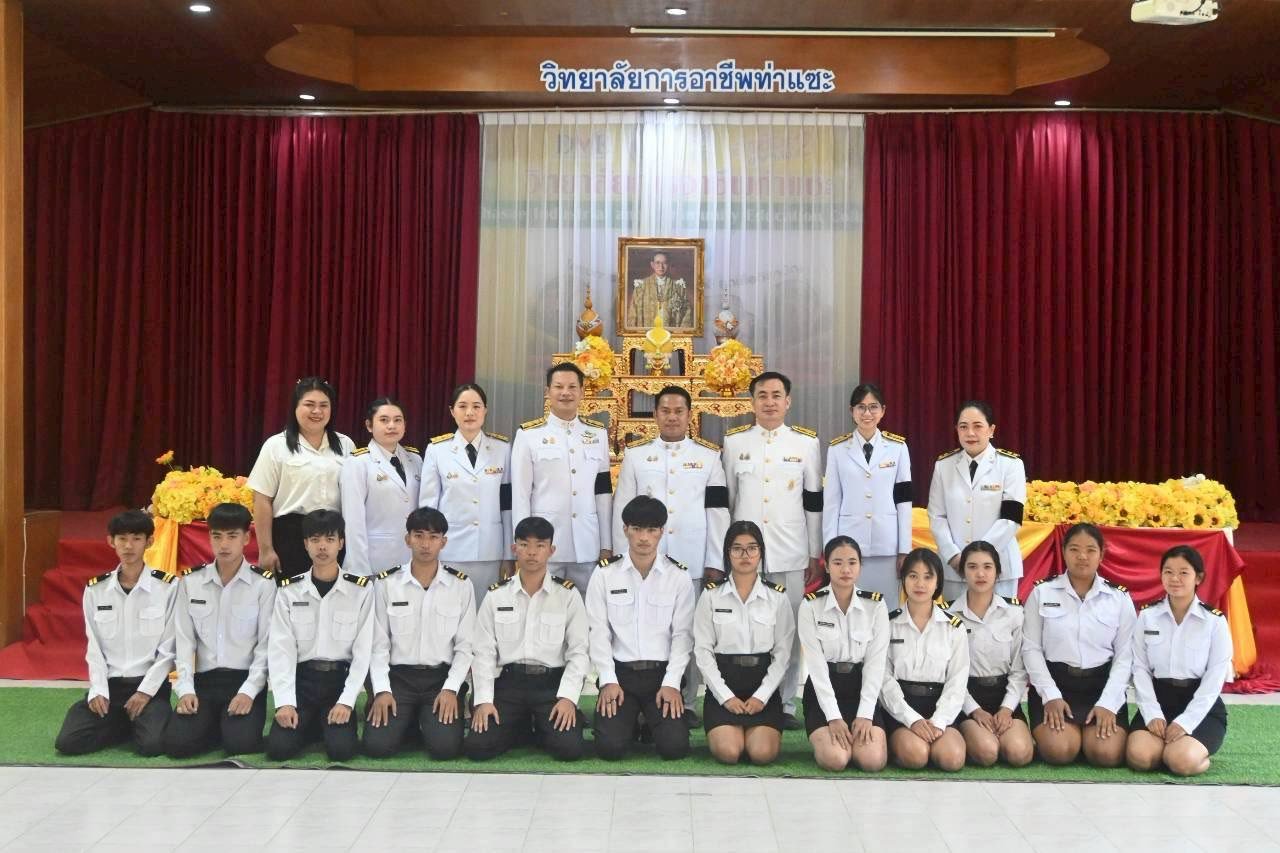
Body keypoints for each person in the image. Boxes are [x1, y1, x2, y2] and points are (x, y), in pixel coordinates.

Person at [612, 384, 729, 718]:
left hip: (691, 559)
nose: (672, 417)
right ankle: (642, 703)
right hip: (645, 559)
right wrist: (622, 559)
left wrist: (715, 560)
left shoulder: (709, 456)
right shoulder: (636, 455)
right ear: (655, 414)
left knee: (687, 632)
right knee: (645, 627)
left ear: (689, 415)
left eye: (679, 411)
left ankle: (687, 701)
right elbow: (623, 509)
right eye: (665, 410)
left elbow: (717, 511)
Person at [721, 371, 821, 729]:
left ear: (788, 401)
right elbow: (729, 501)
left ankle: (787, 703)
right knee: (745, 627)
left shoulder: (806, 443)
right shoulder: (735, 442)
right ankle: (745, 696)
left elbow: (813, 502)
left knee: (788, 630)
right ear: (752, 402)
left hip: (789, 549)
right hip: (745, 554)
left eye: (776, 395)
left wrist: (814, 551)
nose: (769, 402)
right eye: (762, 395)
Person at [466, 516, 590, 761]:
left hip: (551, 686)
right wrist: (483, 700)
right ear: (515, 548)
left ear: (551, 550)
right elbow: (483, 653)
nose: (532, 552)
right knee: (478, 748)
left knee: (569, 750)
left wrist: (567, 698)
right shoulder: (497, 595)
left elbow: (579, 651)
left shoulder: (567, 595)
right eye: (524, 545)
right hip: (509, 684)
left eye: (540, 545)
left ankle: (541, 728)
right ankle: (520, 727)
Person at [55, 510, 176, 756]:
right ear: (111, 541)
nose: (128, 546)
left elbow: (169, 649)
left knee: (151, 746)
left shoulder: (168, 587)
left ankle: (132, 722)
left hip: (149, 688)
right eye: (122, 539)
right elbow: (94, 647)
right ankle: (123, 724)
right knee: (68, 742)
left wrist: (144, 692)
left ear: (150, 541)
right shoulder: (96, 590)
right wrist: (98, 690)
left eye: (136, 538)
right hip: (111, 688)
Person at [163, 503, 275, 758]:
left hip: (244, 680)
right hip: (204, 682)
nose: (224, 544)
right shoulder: (191, 582)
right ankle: (213, 724)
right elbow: (184, 643)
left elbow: (266, 646)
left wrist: (249, 692)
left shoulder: (263, 585)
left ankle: (221, 726)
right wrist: (185, 690)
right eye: (217, 536)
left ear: (246, 538)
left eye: (232, 536)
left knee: (240, 745)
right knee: (176, 745)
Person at [588, 496, 696, 760]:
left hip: (660, 675)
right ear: (625, 530)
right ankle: (632, 721)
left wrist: (672, 683)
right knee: (610, 749)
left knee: (675, 748)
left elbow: (683, 637)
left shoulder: (678, 576)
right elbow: (598, 632)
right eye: (636, 529)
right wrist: (608, 680)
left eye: (651, 530)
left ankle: (648, 720)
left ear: (662, 531)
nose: (644, 538)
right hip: (621, 675)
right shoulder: (604, 574)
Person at [363, 507, 475, 760]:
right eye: (419, 536)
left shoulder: (460, 585)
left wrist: (451, 689)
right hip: (398, 679)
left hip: (440, 679)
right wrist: (382, 690)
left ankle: (420, 721)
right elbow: (378, 645)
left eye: (433, 537)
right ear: (408, 539)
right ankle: (410, 722)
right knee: (377, 747)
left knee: (445, 749)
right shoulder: (386, 584)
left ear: (443, 542)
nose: (425, 544)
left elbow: (465, 647)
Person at [1022, 522, 1135, 767]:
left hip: (1100, 686)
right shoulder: (1042, 593)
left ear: (1101, 555)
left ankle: (1085, 738)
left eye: (1090, 550)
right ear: (1064, 552)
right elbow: (1031, 648)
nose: (1082, 556)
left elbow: (1126, 655)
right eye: (1074, 549)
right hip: (1057, 684)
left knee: (1107, 755)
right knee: (1059, 752)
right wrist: (1050, 695)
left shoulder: (1119, 598)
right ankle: (1072, 738)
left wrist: (1108, 703)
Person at [265, 509, 373, 761]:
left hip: (338, 682)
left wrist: (347, 702)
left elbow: (363, 652)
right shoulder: (289, 591)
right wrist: (284, 702)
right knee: (278, 749)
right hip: (302, 682)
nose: (322, 547)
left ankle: (318, 725)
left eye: (330, 539)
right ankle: (312, 724)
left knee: (341, 751)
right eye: (315, 540)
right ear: (305, 544)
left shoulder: (360, 591)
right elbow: (281, 649)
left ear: (341, 543)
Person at [694, 521, 796, 765]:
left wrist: (762, 696)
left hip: (762, 685)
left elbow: (783, 654)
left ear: (761, 552)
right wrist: (725, 697)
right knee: (729, 752)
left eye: (752, 548)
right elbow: (703, 652)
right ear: (727, 553)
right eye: (737, 549)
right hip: (724, 683)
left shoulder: (777, 597)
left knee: (762, 754)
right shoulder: (711, 595)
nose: (745, 555)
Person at [1127, 545, 1232, 776]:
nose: (1175, 578)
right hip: (1159, 700)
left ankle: (1189, 754)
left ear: (1198, 578)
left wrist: (1186, 722)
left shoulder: (1214, 622)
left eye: (1184, 572)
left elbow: (1215, 677)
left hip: (1200, 705)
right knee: (1140, 758)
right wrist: (1152, 712)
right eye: (1168, 572)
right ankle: (1167, 749)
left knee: (1182, 762)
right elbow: (1140, 668)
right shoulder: (1147, 616)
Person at [510, 362, 612, 592]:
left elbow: (603, 492)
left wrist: (606, 543)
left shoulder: (597, 434)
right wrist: (523, 543)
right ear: (548, 391)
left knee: (587, 607)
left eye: (572, 387)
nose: (566, 392)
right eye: (559, 387)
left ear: (582, 391)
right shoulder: (529, 435)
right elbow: (520, 494)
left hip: (587, 543)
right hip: (544, 542)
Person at [797, 536, 889, 772]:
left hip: (861, 690)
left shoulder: (875, 606)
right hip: (824, 690)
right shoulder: (810, 605)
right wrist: (833, 716)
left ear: (860, 566)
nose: (845, 569)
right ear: (827, 566)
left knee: (871, 761)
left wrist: (866, 714)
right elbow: (816, 666)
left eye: (852, 562)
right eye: (837, 563)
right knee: (835, 759)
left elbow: (876, 664)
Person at [249, 377, 356, 578]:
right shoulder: (276, 446)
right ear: (295, 407)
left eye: (324, 405)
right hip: (290, 536)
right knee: (292, 594)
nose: (317, 411)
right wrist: (265, 549)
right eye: (309, 404)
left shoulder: (346, 445)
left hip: (334, 537)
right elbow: (262, 500)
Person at [420, 382, 513, 602]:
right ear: (452, 411)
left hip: (490, 550)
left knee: (486, 612)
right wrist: (428, 549)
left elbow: (507, 506)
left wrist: (509, 554)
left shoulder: (502, 449)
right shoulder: (437, 450)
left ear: (485, 410)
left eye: (476, 406)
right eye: (462, 406)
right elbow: (428, 508)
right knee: (448, 611)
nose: (470, 412)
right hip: (450, 549)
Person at [879, 548, 969, 771]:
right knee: (916, 756)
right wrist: (912, 719)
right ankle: (897, 744)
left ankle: (932, 738)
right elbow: (883, 679)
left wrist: (939, 721)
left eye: (928, 577)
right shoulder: (887, 624)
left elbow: (957, 681)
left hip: (940, 705)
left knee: (952, 759)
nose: (920, 584)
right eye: (913, 576)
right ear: (903, 579)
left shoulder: (953, 627)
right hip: (900, 707)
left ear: (938, 582)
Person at [927, 400, 1027, 601]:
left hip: (999, 567)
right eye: (963, 427)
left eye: (977, 426)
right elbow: (936, 516)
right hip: (955, 568)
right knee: (956, 620)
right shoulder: (944, 466)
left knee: (999, 620)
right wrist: (954, 556)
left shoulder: (1011, 465)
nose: (970, 433)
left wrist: (978, 559)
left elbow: (1011, 519)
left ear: (991, 430)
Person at [822, 382, 913, 601]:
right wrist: (829, 549)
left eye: (873, 407)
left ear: (883, 410)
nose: (867, 413)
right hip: (848, 544)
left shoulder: (898, 448)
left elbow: (904, 501)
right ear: (851, 411)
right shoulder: (837, 450)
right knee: (850, 605)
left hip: (887, 543)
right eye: (861, 407)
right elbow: (832, 502)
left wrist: (904, 549)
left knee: (887, 606)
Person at [948, 540, 1034, 767]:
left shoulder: (1014, 613)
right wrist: (974, 710)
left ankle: (1002, 733)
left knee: (1019, 754)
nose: (980, 574)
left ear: (998, 573)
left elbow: (1019, 671)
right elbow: (950, 674)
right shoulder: (948, 615)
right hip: (965, 696)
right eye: (972, 567)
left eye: (987, 567)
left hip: (1004, 695)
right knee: (986, 752)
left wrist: (1007, 709)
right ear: (962, 572)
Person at [340, 397, 423, 577]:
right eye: (384, 420)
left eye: (397, 420)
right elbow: (353, 522)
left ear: (405, 425)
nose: (391, 426)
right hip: (375, 560)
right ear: (369, 425)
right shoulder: (358, 463)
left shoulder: (415, 460)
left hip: (412, 558)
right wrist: (359, 570)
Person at [627, 251, 692, 329]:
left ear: (668, 265)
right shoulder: (641, 286)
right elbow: (633, 314)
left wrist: (679, 333)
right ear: (652, 265)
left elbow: (687, 312)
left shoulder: (678, 286)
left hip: (670, 332)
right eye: (657, 263)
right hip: (648, 333)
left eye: (664, 263)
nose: (661, 267)